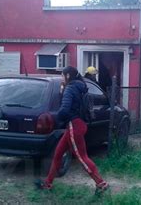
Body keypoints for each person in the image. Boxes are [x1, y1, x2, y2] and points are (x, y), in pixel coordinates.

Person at [35, 66, 108, 194]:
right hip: (77, 124)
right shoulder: (80, 86)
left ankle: (101, 184)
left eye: (62, 76)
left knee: (82, 157)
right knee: (58, 154)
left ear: (68, 76)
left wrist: (54, 118)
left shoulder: (70, 88)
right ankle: (48, 184)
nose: (61, 78)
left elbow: (65, 110)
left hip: (74, 126)